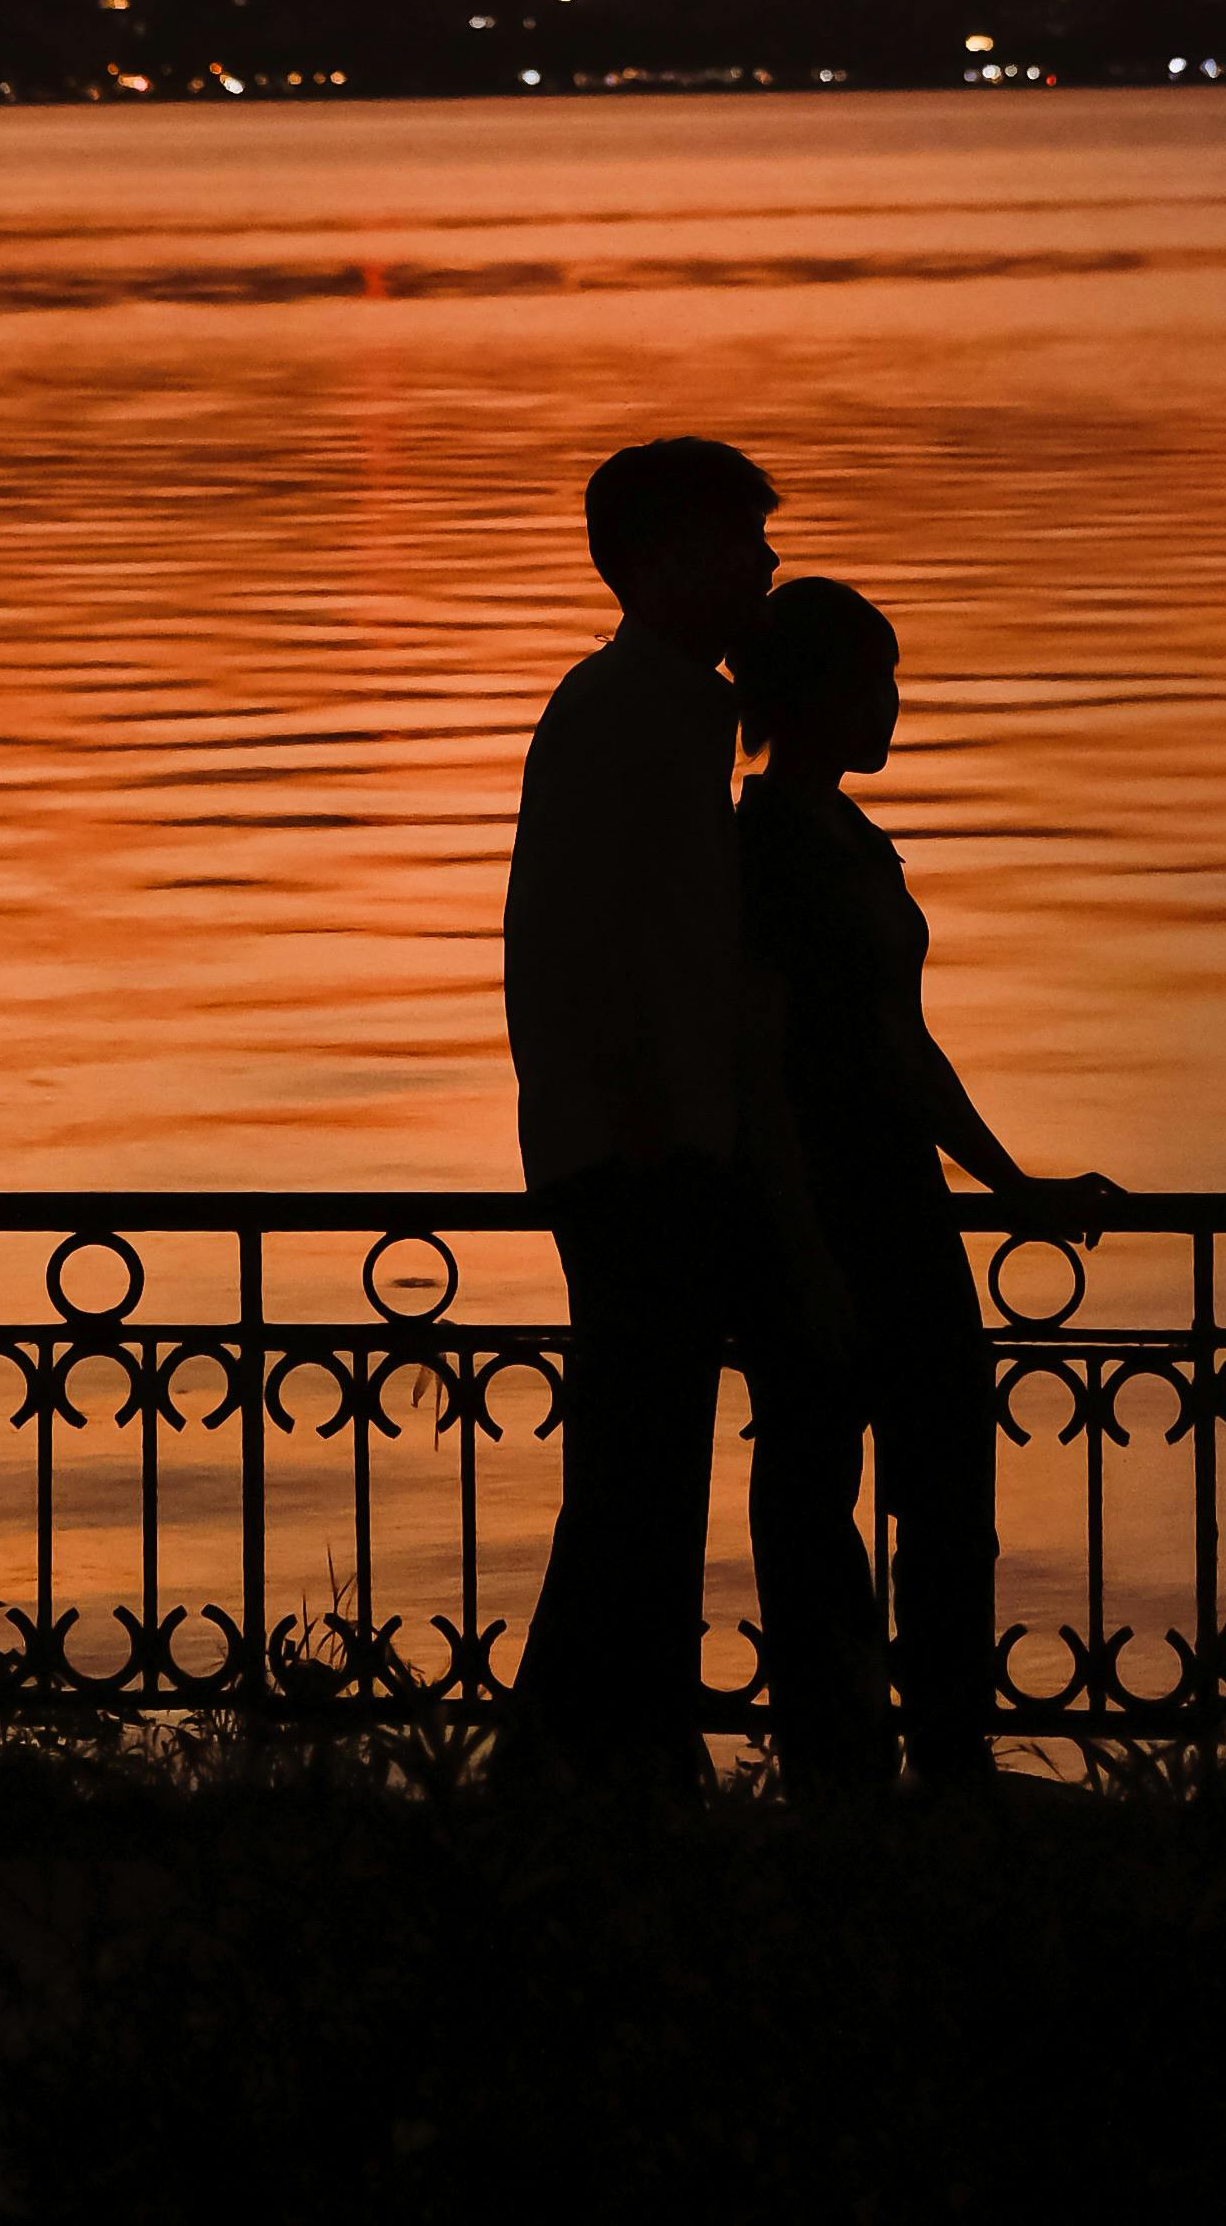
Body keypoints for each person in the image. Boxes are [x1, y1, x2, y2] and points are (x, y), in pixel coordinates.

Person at [732, 575, 1120, 1793]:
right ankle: (843, 1764)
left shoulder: (844, 838)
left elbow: (907, 1045)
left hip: (897, 1203)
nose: (892, 705)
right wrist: (797, 1252)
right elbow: (764, 1064)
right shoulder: (768, 850)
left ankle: (942, 1750)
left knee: (943, 1490)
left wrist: (1011, 1188)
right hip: (829, 1212)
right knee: (818, 1499)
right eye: (873, 683)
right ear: (807, 698)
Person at [501, 430, 781, 1780]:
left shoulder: (662, 707)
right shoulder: (631, 710)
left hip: (636, 1146)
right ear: (661, 561)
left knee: (641, 1467)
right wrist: (655, 1137)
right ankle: (600, 1754)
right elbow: (598, 949)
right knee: (638, 1469)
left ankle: (592, 1750)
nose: (764, 566)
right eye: (742, 543)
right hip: (636, 1157)